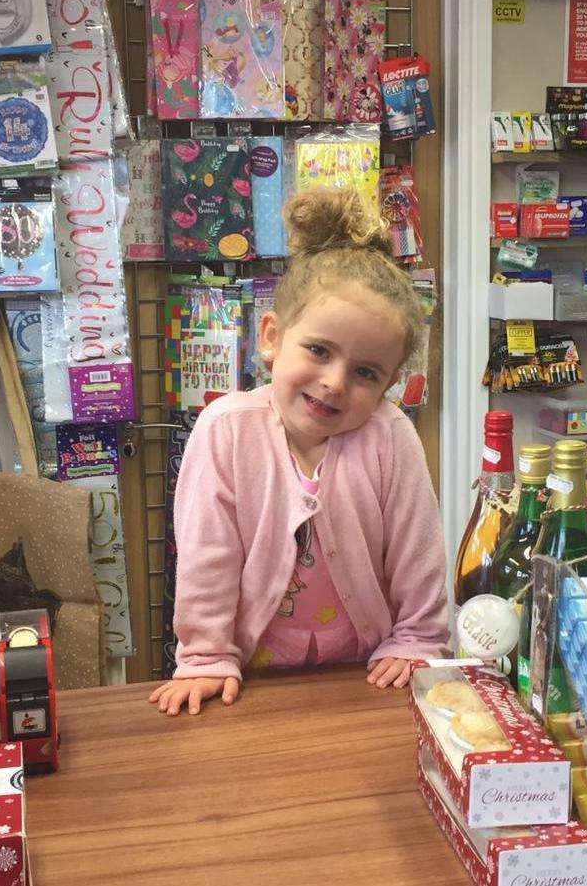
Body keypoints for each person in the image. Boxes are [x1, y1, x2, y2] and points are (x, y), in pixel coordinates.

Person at [149, 188, 449, 716]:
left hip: (365, 676)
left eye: (365, 373)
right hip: (248, 680)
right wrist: (206, 654)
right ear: (271, 336)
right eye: (318, 350)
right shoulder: (226, 430)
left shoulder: (391, 436)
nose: (334, 383)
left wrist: (418, 638)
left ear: (389, 384)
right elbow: (205, 557)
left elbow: (418, 551)